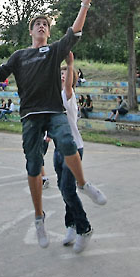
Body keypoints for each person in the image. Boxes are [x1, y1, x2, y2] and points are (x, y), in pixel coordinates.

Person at [0, 0, 106, 249]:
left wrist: (85, 5)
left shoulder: (54, 51)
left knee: (66, 142)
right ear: (31, 31)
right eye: (37, 24)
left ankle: (84, 184)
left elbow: (75, 32)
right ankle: (38, 218)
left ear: (48, 32)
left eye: (45, 24)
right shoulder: (19, 55)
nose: (41, 26)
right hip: (30, 116)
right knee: (33, 166)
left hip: (53, 111)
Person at [56, 53, 94, 253]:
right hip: (59, 148)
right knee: (63, 189)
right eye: (60, 73)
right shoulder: (54, 95)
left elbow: (68, 85)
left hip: (73, 147)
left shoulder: (68, 95)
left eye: (66, 74)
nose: (62, 76)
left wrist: (69, 64)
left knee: (68, 189)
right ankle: (70, 225)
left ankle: (84, 227)